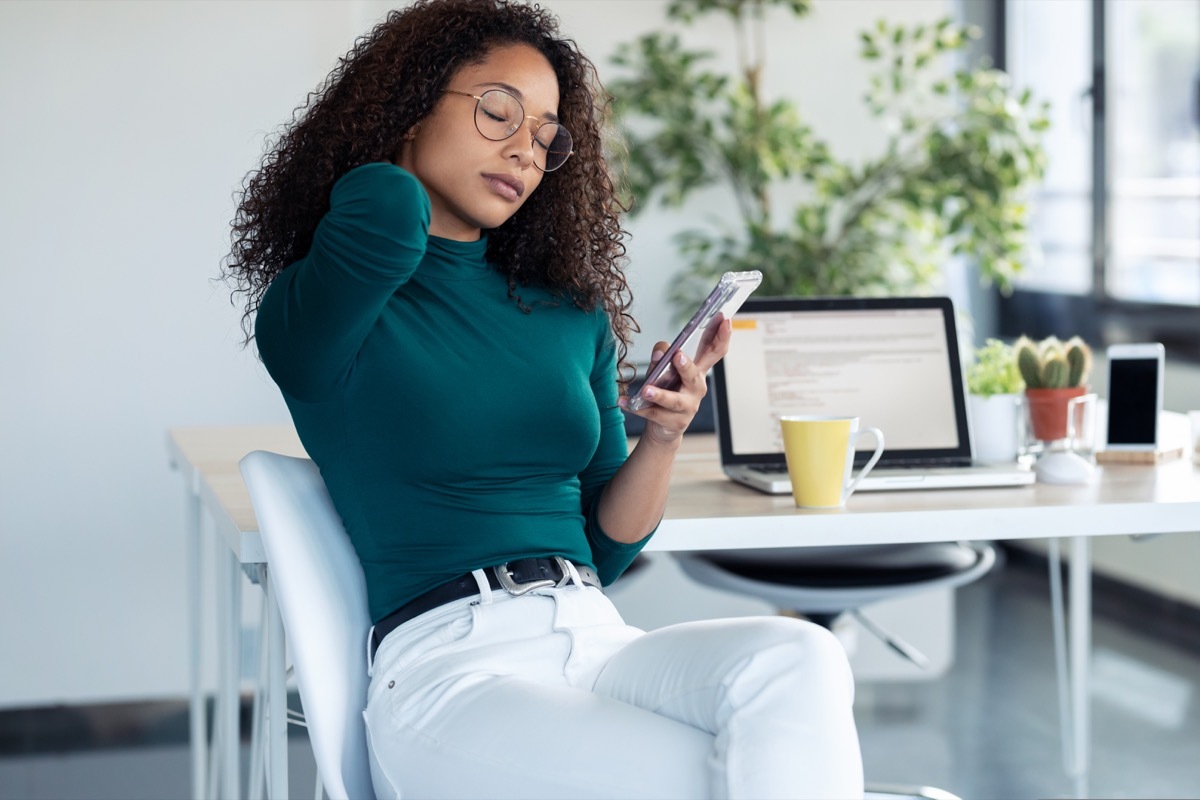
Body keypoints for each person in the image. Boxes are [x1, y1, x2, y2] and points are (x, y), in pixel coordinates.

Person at [224, 1, 862, 797]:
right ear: (409, 103)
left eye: (546, 135)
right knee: (715, 776)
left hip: (596, 635)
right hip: (452, 673)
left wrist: (662, 437)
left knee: (801, 657)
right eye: (498, 111)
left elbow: (608, 550)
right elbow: (386, 206)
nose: (524, 150)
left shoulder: (570, 316)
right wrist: (389, 140)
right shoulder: (328, 309)